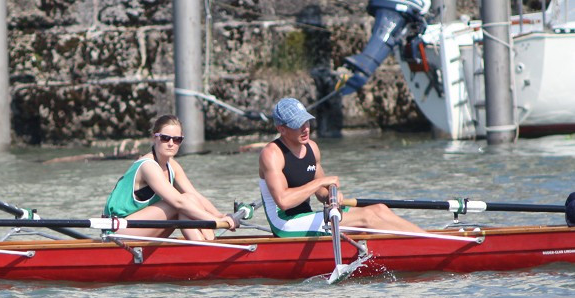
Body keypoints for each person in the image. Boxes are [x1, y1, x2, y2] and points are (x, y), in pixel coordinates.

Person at [259, 97, 424, 237]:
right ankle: (429, 246)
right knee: (367, 217)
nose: (305, 128)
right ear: (281, 129)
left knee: (379, 209)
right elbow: (284, 201)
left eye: (306, 121)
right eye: (298, 124)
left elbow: (321, 193)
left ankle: (430, 240)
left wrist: (333, 194)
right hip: (285, 224)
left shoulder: (312, 148)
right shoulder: (272, 154)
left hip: (305, 216)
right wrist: (319, 183)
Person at [103, 114, 236, 240]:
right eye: (165, 138)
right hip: (117, 230)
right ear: (154, 137)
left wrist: (220, 215)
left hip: (142, 227)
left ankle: (208, 242)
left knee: (191, 198)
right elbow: (178, 202)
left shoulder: (172, 165)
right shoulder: (148, 166)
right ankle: (205, 249)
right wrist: (215, 221)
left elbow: (195, 195)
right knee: (180, 203)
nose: (171, 143)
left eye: (177, 139)